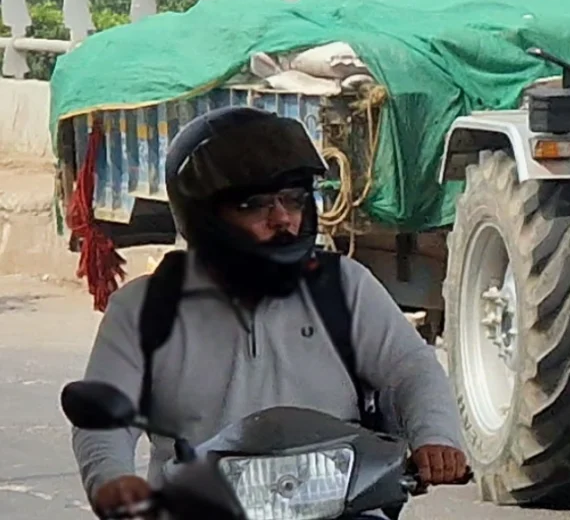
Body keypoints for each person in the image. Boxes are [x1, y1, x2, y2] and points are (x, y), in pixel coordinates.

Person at [71, 106, 469, 516]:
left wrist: (435, 437)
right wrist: (112, 480)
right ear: (203, 215)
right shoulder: (142, 310)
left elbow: (410, 369)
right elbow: (104, 419)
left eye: (293, 200)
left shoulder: (345, 286)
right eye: (253, 205)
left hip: (339, 506)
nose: (283, 219)